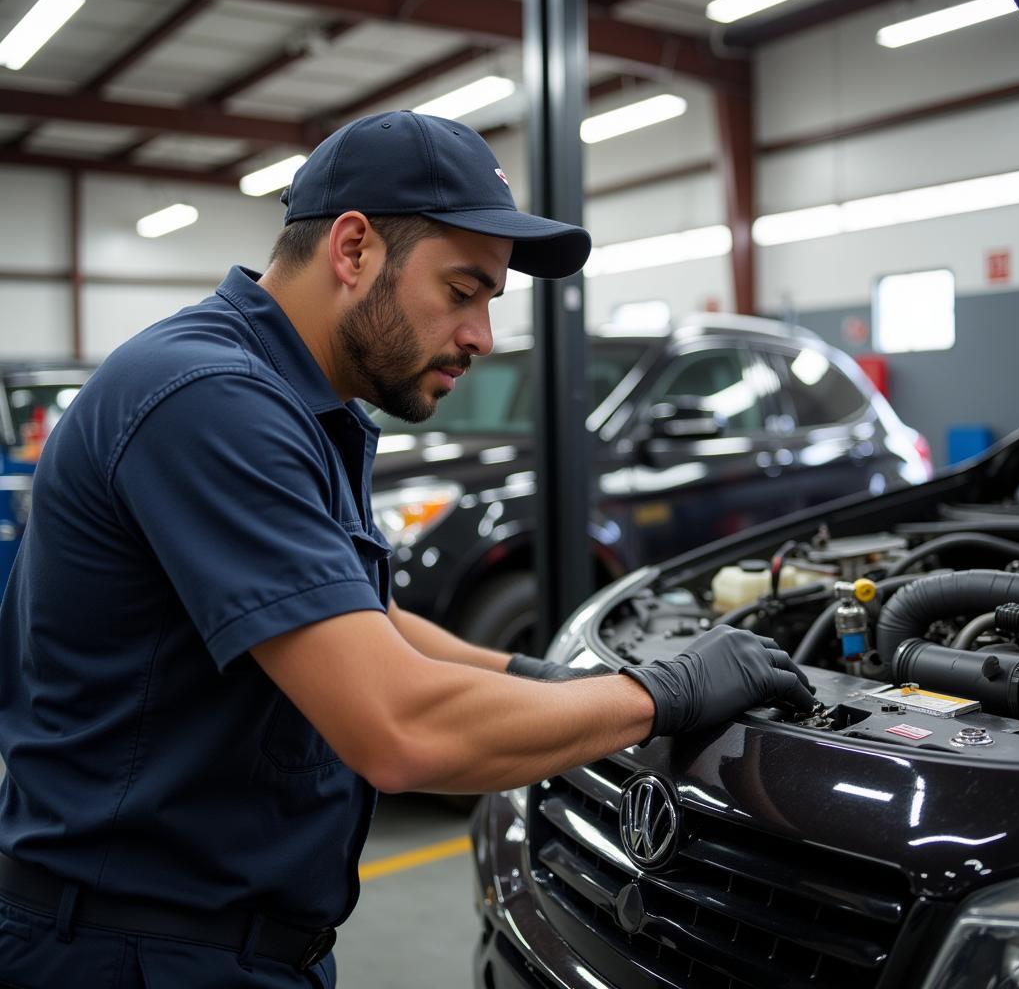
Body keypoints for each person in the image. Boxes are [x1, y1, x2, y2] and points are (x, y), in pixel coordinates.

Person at [0, 110, 814, 988]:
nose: (481, 337)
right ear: (353, 250)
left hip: (221, 943)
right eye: (462, 291)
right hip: (133, 955)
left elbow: (367, 621)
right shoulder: (207, 400)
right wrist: (659, 696)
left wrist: (550, 686)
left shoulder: (304, 401)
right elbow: (398, 727)